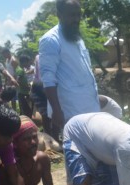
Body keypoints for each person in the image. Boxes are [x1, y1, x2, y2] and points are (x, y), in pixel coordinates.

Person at [39, 0, 100, 129]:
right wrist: (56, 111)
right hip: (71, 112)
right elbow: (48, 79)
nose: (77, 19)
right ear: (59, 15)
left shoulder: (76, 38)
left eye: (79, 14)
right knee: (76, 148)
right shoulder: (51, 40)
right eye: (72, 15)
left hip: (90, 107)